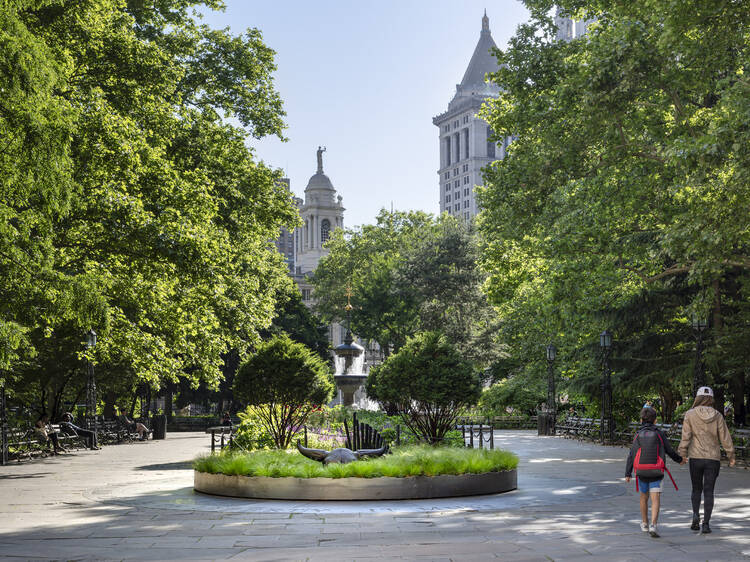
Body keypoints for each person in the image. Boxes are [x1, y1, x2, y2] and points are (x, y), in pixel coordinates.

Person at [678, 386, 736, 534]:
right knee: (709, 491)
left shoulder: (690, 414)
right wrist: (731, 455)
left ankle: (695, 516)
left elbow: (686, 436)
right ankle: (706, 524)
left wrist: (682, 453)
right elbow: (725, 437)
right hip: (713, 458)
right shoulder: (717, 415)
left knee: (696, 489)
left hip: (696, 457)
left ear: (697, 398)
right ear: (711, 399)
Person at [625, 406, 684, 538]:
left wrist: (628, 473)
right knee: (655, 497)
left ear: (641, 420)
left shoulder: (638, 434)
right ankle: (653, 525)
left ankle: (644, 523)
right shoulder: (659, 433)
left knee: (643, 497)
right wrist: (679, 460)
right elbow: (669, 450)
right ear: (655, 420)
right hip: (657, 470)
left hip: (641, 471)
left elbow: (631, 454)